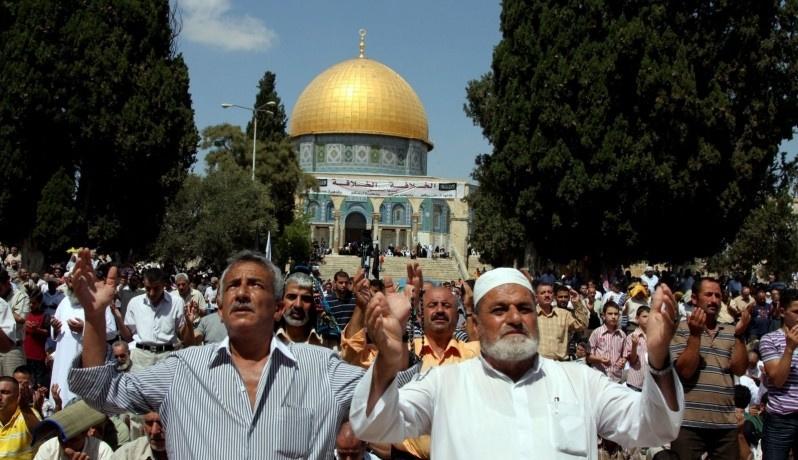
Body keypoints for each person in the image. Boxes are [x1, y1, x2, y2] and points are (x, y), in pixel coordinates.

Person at [67, 249, 377, 458]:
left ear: (278, 308)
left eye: (255, 285)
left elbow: (389, 393)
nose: (241, 293)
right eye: (233, 286)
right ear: (220, 308)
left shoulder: (320, 368)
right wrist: (94, 318)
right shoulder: (183, 369)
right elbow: (103, 391)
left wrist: (390, 341)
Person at [350, 267, 684, 459]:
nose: (514, 318)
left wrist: (658, 358)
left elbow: (656, 426)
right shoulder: (445, 383)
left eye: (524, 308)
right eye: (499, 310)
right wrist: (387, 362)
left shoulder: (580, 381)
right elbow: (373, 426)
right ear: (476, 324)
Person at [341, 267, 478, 459]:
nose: (439, 310)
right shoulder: (404, 349)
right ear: (421, 313)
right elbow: (352, 358)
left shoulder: (474, 353)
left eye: (446, 305)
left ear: (457, 315)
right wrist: (361, 307)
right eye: (433, 305)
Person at [670, 277, 752, 459]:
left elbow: (739, 369)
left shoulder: (730, 331)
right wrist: (695, 335)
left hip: (725, 424)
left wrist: (739, 335)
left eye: (718, 296)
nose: (714, 300)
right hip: (688, 423)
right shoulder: (681, 329)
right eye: (708, 295)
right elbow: (685, 371)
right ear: (694, 298)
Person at [112, 267, 193, 370]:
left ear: (163, 284)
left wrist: (189, 323)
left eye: (156, 288)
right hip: (140, 358)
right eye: (148, 288)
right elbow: (128, 337)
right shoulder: (135, 303)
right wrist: (118, 317)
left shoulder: (176, 302)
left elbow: (186, 340)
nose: (151, 293)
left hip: (168, 357)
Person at [759, 288, 798, 458]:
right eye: (796, 312)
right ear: (782, 312)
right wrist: (789, 348)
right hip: (780, 420)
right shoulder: (769, 340)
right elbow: (777, 380)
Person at [274, 271, 335, 348]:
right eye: (291, 297)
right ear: (281, 301)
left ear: (314, 304)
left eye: (306, 299)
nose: (298, 305)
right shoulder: (266, 339)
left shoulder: (328, 342)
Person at [535, 282, 589, 360]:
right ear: (536, 297)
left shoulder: (564, 314)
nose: (547, 295)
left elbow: (582, 325)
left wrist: (577, 303)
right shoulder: (531, 316)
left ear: (553, 296)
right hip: (539, 363)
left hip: (560, 363)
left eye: (549, 292)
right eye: (543, 293)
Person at [0, 376, 39, 460]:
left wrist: (24, 405)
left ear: (17, 396)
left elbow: (42, 435)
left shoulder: (27, 415)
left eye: (5, 392)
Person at [587, 301, 626, 382]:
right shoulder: (596, 333)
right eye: (610, 314)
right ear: (603, 316)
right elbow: (588, 357)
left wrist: (623, 361)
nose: (613, 316)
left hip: (616, 378)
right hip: (599, 377)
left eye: (616, 314)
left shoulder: (622, 335)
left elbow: (624, 355)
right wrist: (600, 359)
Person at [0, 269, 28, 375]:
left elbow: (21, 318)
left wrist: (4, 309)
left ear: (7, 283)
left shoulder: (20, 296)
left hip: (13, 349)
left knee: (13, 382)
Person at [624, 306, 651, 391]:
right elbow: (632, 360)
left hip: (651, 383)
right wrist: (634, 345)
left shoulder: (654, 337)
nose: (648, 319)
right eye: (644, 316)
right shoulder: (631, 337)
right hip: (635, 382)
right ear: (637, 318)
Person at [325, 271, 356, 336]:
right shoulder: (327, 301)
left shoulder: (354, 300)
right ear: (335, 283)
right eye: (341, 283)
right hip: (333, 337)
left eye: (346, 282)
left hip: (349, 337)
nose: (344, 285)